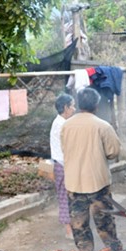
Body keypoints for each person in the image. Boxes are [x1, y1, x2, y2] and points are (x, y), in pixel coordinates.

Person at [61, 87, 126, 251]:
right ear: (96, 104)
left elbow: (65, 149)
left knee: (79, 223)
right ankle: (116, 250)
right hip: (97, 182)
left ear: (79, 104)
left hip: (74, 183)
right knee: (105, 219)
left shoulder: (66, 126)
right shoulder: (102, 126)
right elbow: (113, 152)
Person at [50, 93, 75, 240]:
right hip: (62, 164)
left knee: (67, 196)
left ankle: (71, 228)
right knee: (65, 197)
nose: (74, 109)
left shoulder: (60, 122)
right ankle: (68, 230)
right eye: (72, 106)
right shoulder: (62, 124)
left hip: (62, 163)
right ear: (65, 108)